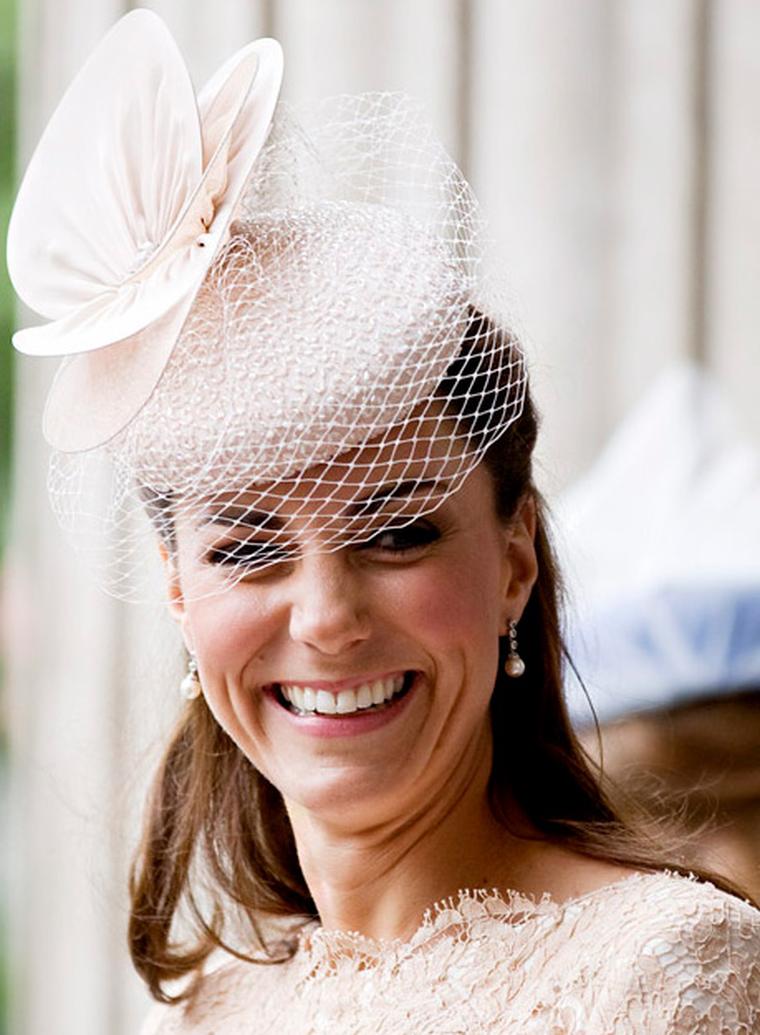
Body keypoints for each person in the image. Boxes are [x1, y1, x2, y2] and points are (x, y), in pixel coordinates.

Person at [7, 12, 760, 1034]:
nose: (324, 618)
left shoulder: (665, 975)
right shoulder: (201, 1011)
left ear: (513, 562)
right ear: (179, 592)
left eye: (397, 533)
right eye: (250, 550)